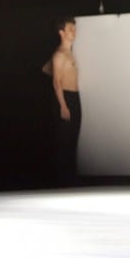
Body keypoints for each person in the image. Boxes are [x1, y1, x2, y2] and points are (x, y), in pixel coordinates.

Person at [44, 16, 82, 185]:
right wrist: (63, 105)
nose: (74, 32)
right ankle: (62, 180)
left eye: (74, 28)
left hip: (74, 97)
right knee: (64, 139)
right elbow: (56, 82)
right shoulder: (59, 55)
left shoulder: (69, 53)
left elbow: (47, 70)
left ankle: (70, 177)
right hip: (65, 98)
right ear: (62, 32)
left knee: (73, 137)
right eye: (70, 29)